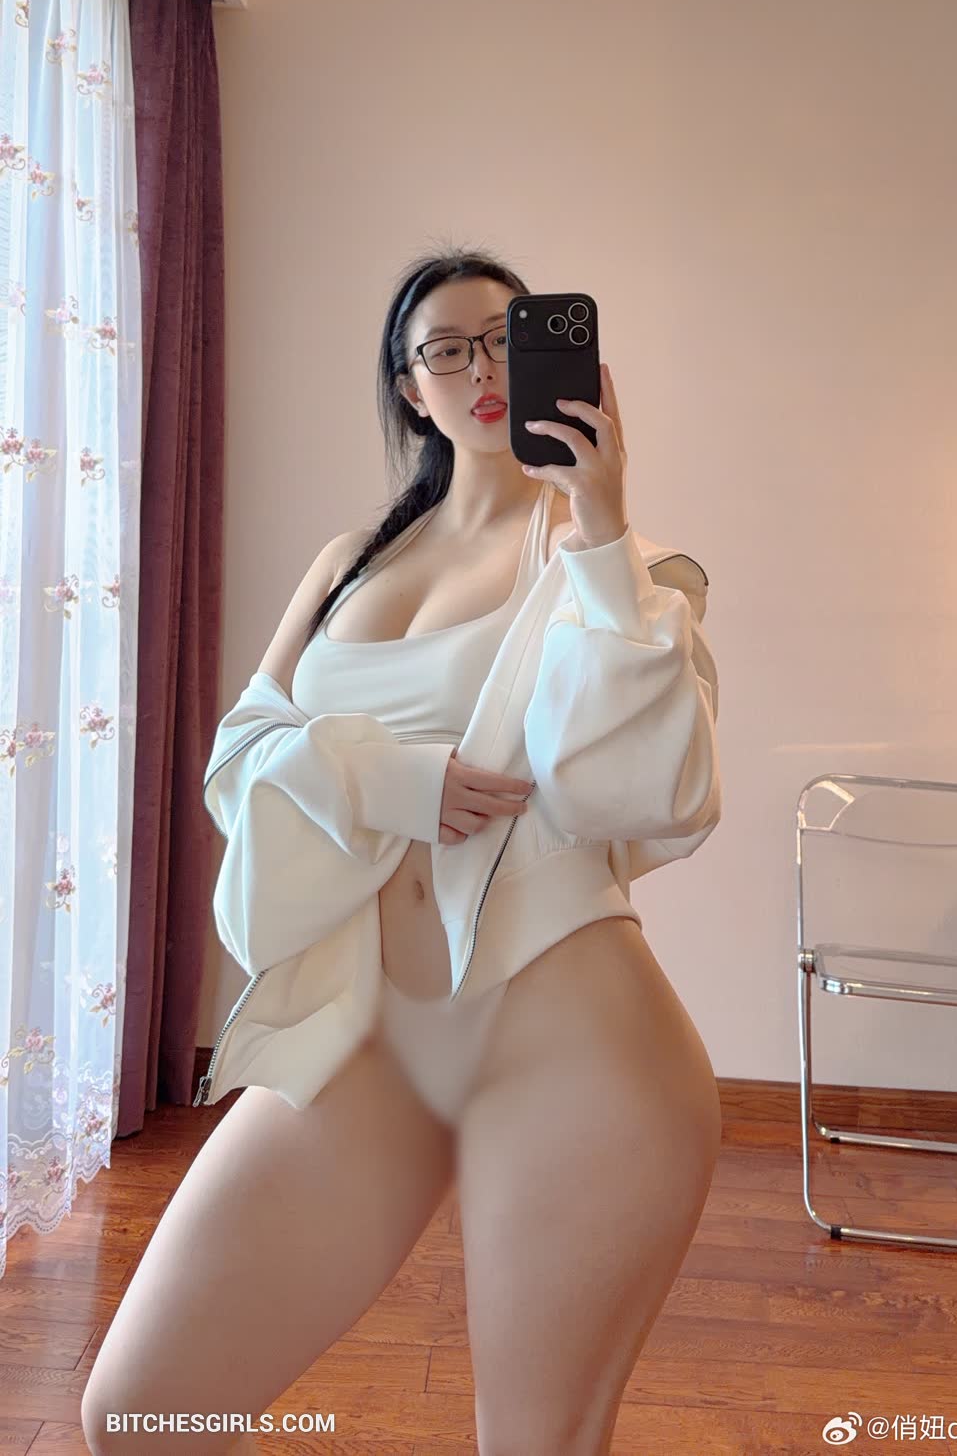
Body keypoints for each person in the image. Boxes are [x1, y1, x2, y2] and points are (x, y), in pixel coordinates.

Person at [83, 246, 723, 1456]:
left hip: (576, 1048)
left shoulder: (612, 564)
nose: (483, 368)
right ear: (408, 386)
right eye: (448, 348)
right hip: (368, 1039)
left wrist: (601, 520)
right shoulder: (350, 559)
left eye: (507, 339)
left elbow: (640, 789)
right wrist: (393, 779)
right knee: (140, 1414)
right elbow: (238, 756)